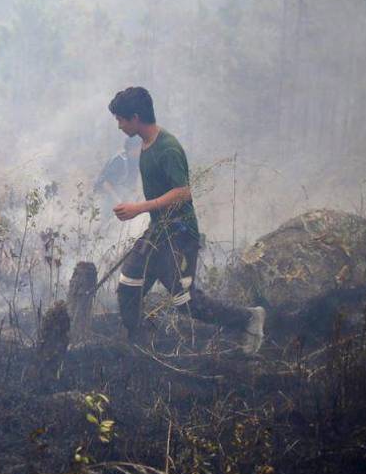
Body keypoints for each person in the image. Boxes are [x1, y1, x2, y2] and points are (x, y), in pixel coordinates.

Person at [107, 87, 264, 353]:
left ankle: (249, 317)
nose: (119, 126)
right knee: (129, 284)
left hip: (180, 234)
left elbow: (183, 192)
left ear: (135, 117)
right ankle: (139, 347)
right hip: (159, 231)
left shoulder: (168, 148)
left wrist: (139, 208)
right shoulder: (145, 144)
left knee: (186, 302)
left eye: (121, 120)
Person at [95, 135, 143, 207]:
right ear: (133, 148)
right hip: (105, 193)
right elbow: (106, 183)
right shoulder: (119, 161)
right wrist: (118, 201)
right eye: (140, 146)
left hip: (120, 193)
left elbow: (132, 185)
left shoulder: (136, 160)